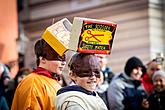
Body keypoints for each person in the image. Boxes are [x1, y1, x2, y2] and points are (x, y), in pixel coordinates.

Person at [11, 39, 66, 110]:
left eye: (64, 58)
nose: (63, 63)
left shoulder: (53, 82)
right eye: (59, 58)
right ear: (43, 59)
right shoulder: (33, 83)